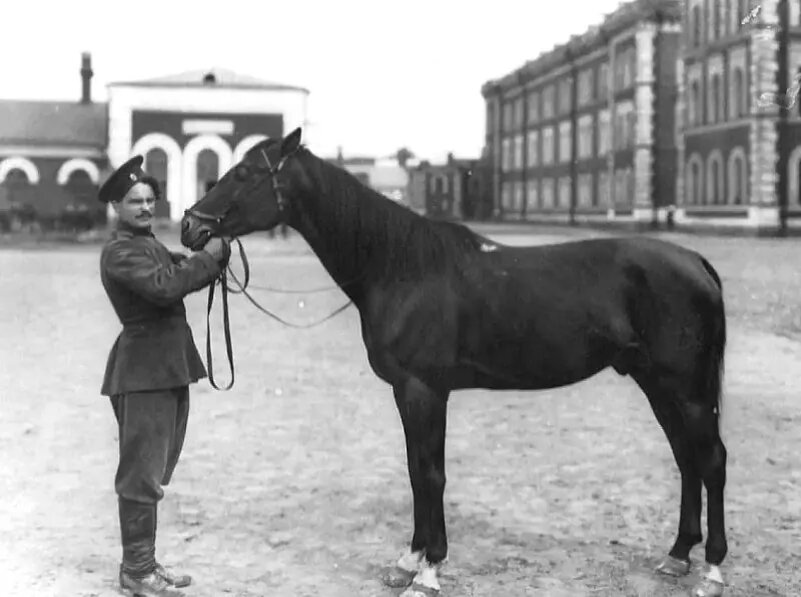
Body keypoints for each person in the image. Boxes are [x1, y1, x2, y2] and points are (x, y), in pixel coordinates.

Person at [98, 155, 229, 596]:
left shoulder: (148, 245)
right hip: (145, 371)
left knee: (155, 467)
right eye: (134, 201)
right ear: (117, 205)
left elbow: (174, 267)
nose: (144, 207)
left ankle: (146, 562)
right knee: (141, 473)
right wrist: (208, 261)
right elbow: (166, 286)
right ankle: (136, 571)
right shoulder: (120, 251)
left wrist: (208, 254)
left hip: (166, 365)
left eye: (150, 199)